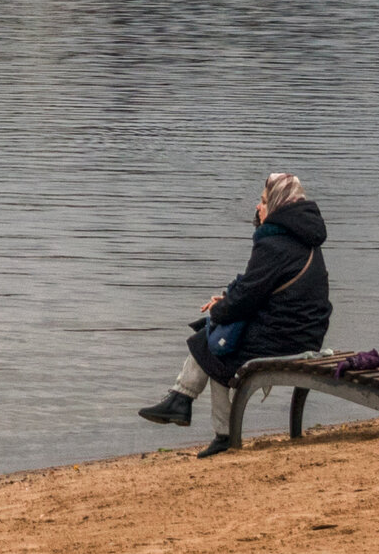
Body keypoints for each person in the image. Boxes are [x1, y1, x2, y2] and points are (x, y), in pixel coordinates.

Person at [139, 172, 331, 457]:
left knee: (216, 342)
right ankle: (201, 417)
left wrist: (221, 307)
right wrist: (228, 301)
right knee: (218, 342)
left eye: (264, 201)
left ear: (278, 205)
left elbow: (247, 297)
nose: (258, 207)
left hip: (286, 340)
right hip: (303, 333)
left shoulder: (275, 243)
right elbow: (259, 288)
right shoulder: (304, 238)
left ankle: (188, 404)